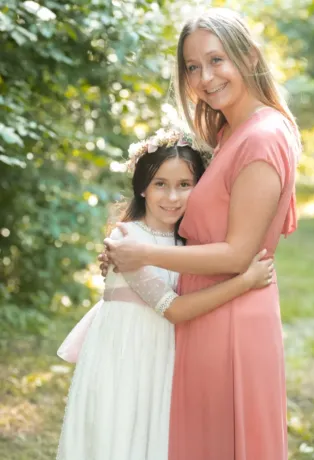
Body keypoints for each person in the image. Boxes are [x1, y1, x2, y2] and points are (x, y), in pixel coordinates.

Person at [101, 8, 300, 460]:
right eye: (193, 67)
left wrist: (144, 257)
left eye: (216, 60)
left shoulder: (263, 136)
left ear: (247, 56)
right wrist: (132, 242)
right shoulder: (232, 131)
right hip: (209, 313)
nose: (205, 77)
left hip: (231, 318)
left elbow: (237, 253)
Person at [56, 128, 273, 460]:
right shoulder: (127, 239)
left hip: (164, 357)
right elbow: (173, 309)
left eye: (185, 185)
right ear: (142, 187)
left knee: (153, 439)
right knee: (117, 436)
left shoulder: (189, 244)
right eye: (161, 184)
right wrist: (246, 281)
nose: (173, 197)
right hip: (124, 358)